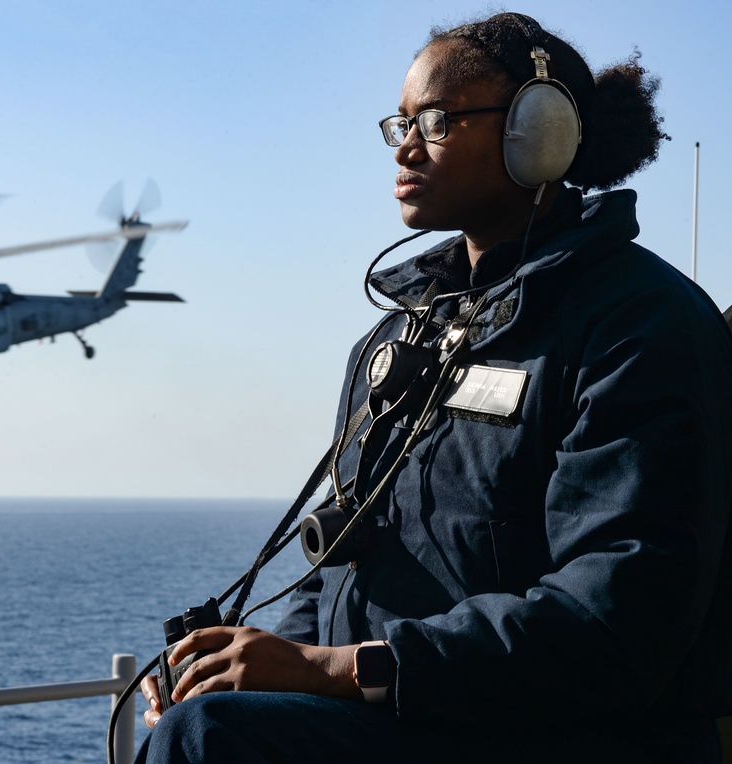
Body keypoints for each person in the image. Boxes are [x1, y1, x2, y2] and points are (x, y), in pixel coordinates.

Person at [136, 12, 732, 763]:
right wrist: (245, 668)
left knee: (205, 744)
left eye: (439, 121)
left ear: (537, 131)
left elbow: (617, 620)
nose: (406, 148)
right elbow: (336, 576)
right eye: (401, 123)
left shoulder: (641, 325)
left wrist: (341, 670)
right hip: (413, 724)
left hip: (573, 738)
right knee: (210, 716)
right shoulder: (397, 340)